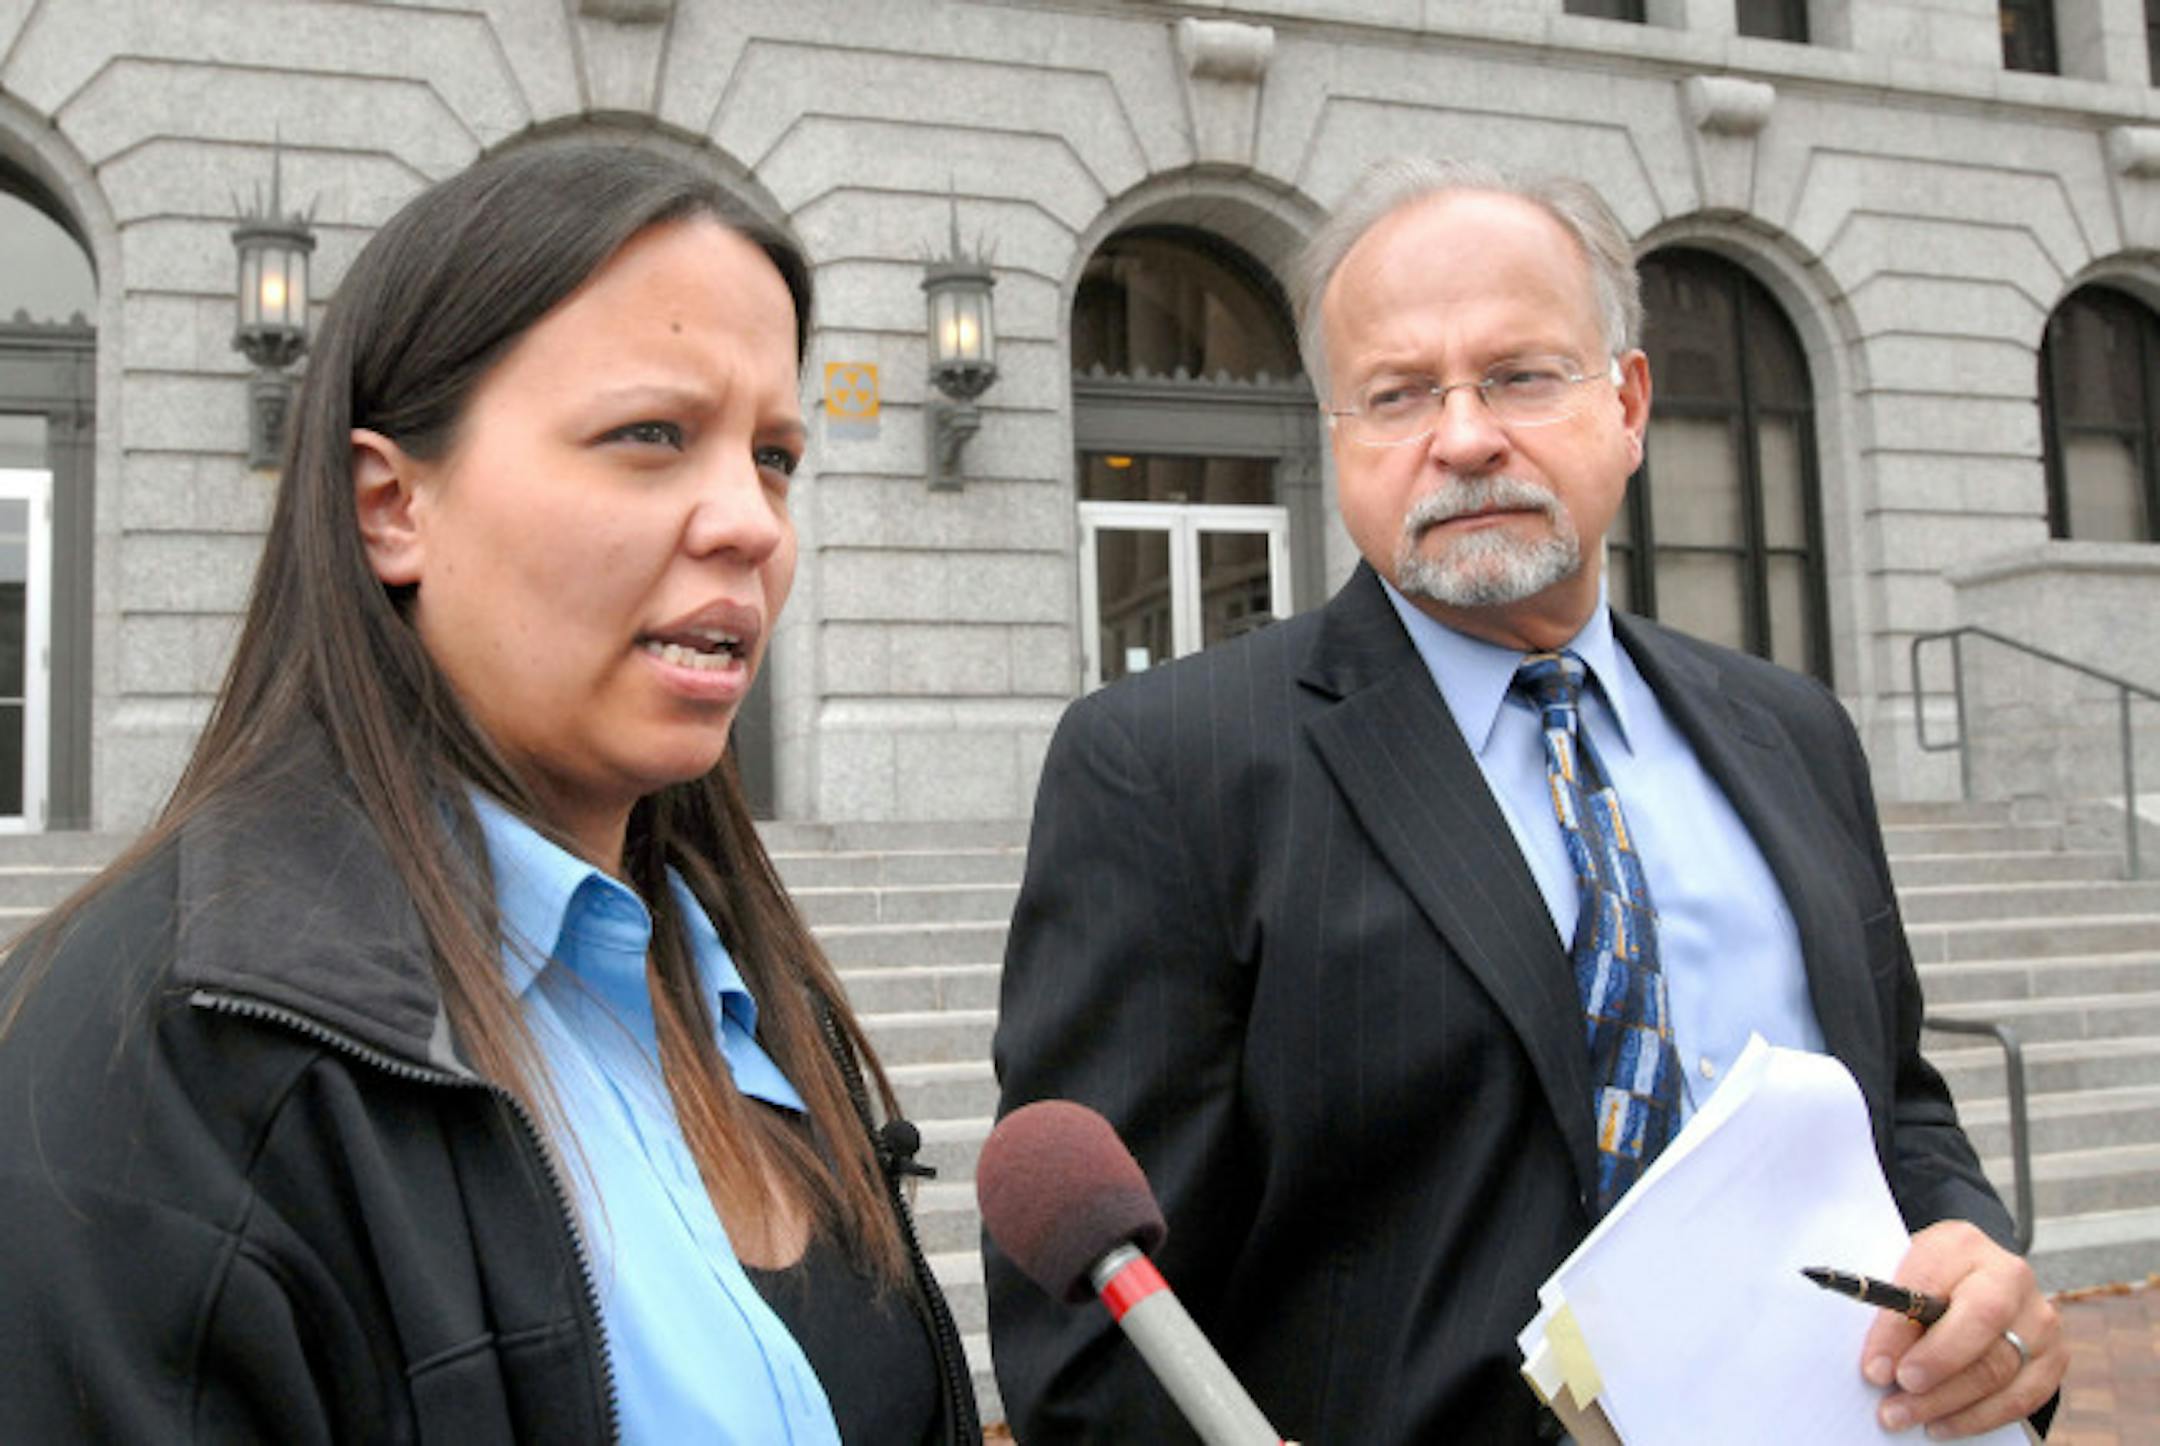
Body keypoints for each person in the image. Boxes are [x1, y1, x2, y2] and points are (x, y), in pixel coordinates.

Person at [986, 156, 2066, 1442]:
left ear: (1629, 402)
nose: (1462, 435)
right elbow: (1103, 1323)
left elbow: (1895, 1105)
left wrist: (1975, 1258)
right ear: (1339, 441)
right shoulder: (1168, 767)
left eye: (1518, 375)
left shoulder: (1793, 735)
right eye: (1395, 394)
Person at [0, 144, 977, 1444]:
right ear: (393, 504)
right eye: (650, 436)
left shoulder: (735, 978)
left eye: (777, 455)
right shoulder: (170, 1057)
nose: (751, 521)